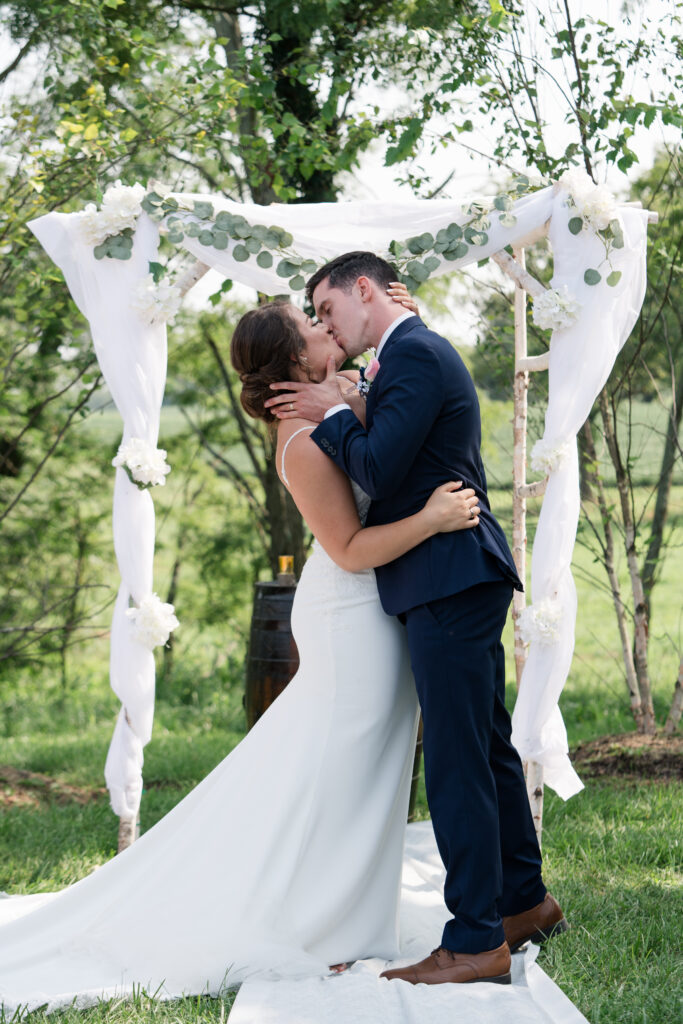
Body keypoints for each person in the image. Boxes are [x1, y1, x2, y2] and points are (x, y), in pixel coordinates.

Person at [0, 286, 481, 1012]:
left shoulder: (332, 397)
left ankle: (343, 910)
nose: (328, 329)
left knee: (357, 767)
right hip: (350, 616)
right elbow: (348, 550)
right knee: (339, 768)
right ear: (295, 357)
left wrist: (394, 333)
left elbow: (386, 397)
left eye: (327, 317)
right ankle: (317, 920)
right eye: (313, 324)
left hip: (374, 613)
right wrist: (434, 517)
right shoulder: (299, 436)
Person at [264, 251, 568, 987]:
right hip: (447, 577)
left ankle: (473, 941)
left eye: (328, 310)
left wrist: (334, 413)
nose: (326, 328)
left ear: (362, 290)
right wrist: (348, 407)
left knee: (459, 761)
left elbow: (376, 469)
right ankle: (522, 902)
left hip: (447, 578)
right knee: (483, 746)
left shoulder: (418, 355)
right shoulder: (406, 353)